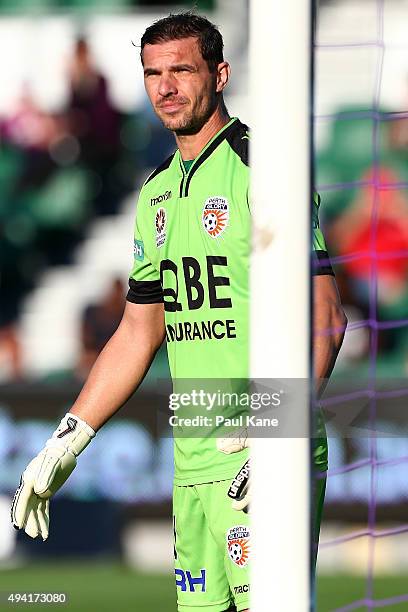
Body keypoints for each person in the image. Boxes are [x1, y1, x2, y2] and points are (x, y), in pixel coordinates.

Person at [11, 12, 347, 612]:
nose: (164, 88)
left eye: (181, 71)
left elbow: (325, 317)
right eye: (152, 74)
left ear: (220, 74)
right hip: (190, 459)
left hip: (262, 453)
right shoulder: (157, 191)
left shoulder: (265, 169)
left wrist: (274, 434)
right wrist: (66, 439)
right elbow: (140, 331)